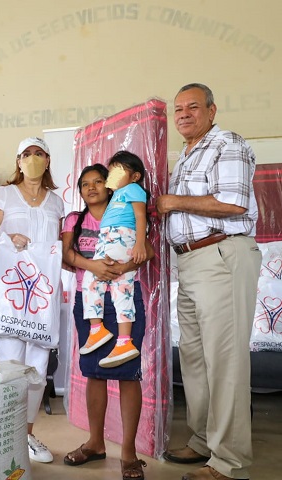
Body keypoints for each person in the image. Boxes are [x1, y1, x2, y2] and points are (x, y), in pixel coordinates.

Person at [157, 83, 261, 480]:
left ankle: (229, 460)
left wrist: (172, 202)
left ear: (211, 111)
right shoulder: (185, 155)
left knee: (225, 362)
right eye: (178, 108)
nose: (183, 114)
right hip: (190, 261)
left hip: (222, 254)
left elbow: (234, 202)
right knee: (196, 360)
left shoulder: (225, 143)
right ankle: (203, 441)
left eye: (193, 107)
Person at [62, 163, 153, 480]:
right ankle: (95, 443)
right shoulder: (74, 220)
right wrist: (94, 267)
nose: (91, 188)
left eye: (98, 181)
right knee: (95, 374)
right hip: (88, 305)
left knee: (128, 373)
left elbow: (148, 249)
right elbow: (66, 255)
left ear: (110, 184)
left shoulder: (126, 208)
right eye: (84, 184)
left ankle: (128, 453)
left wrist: (122, 267)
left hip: (124, 299)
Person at [0, 136, 64, 463]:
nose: (32, 158)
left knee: (38, 370)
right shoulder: (3, 194)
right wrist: (7, 236)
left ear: (47, 160)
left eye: (38, 153)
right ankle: (6, 436)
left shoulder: (56, 202)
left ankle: (25, 436)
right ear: (17, 161)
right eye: (25, 154)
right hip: (12, 295)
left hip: (44, 295)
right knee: (11, 366)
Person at [80, 151, 149, 368]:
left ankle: (96, 328)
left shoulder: (132, 190)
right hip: (113, 239)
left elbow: (140, 217)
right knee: (122, 289)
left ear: (135, 175)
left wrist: (139, 243)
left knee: (91, 280)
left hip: (120, 238)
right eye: (111, 171)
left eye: (117, 170)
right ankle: (123, 340)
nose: (112, 175)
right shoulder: (118, 194)